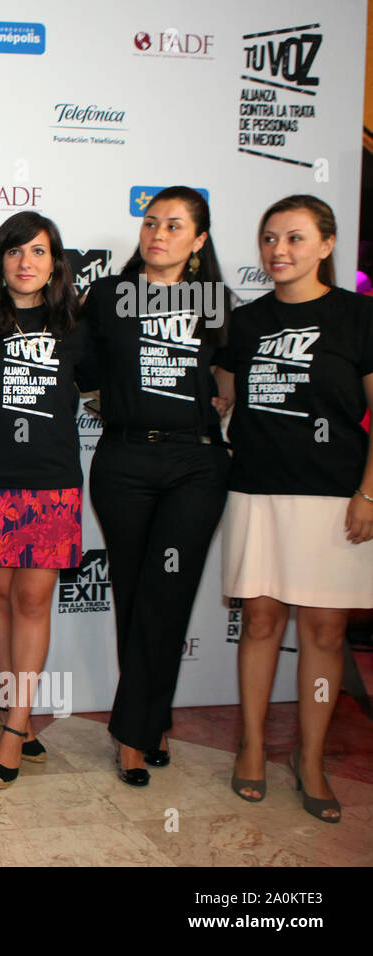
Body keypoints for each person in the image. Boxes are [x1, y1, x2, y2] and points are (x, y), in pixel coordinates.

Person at [220, 194, 372, 823]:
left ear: (327, 245)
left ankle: (309, 759)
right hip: (256, 491)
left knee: (325, 632)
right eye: (270, 239)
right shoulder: (244, 322)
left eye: (295, 238)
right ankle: (252, 747)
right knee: (259, 622)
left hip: (336, 497)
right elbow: (225, 403)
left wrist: (369, 493)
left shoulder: (359, 318)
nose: (279, 251)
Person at [81, 186, 232, 787]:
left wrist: (223, 391)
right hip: (123, 462)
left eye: (174, 225)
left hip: (194, 465)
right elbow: (84, 369)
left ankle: (133, 731)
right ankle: (150, 720)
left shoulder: (214, 301)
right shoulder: (111, 295)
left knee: (167, 593)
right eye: (150, 222)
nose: (158, 233)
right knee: (134, 593)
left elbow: (229, 363)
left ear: (198, 241)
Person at [0, 211, 88, 789]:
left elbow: (105, 384)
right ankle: (9, 700)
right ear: (1, 259)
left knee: (34, 599)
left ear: (54, 263)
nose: (26, 262)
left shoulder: (76, 323)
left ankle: (15, 725)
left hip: (53, 480)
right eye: (16, 251)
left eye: (38, 252)